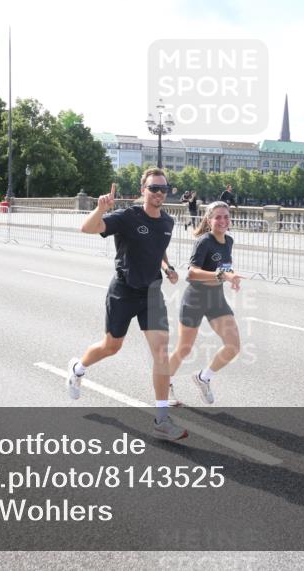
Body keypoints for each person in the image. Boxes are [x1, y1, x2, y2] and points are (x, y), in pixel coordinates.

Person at [68, 168, 187, 441]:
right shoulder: (127, 216)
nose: (158, 193)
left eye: (163, 189)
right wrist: (100, 209)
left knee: (160, 351)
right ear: (142, 190)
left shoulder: (168, 222)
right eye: (153, 188)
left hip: (152, 292)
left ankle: (161, 419)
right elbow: (87, 228)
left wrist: (168, 267)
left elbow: (157, 248)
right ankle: (77, 369)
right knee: (111, 346)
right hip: (123, 290)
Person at [168, 201, 242, 405]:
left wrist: (231, 277)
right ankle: (165, 382)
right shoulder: (204, 241)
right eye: (218, 217)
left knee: (233, 346)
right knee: (184, 348)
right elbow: (192, 273)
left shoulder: (229, 241)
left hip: (216, 300)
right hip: (196, 299)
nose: (223, 221)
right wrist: (221, 275)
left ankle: (203, 377)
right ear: (209, 220)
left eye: (226, 216)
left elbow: (224, 268)